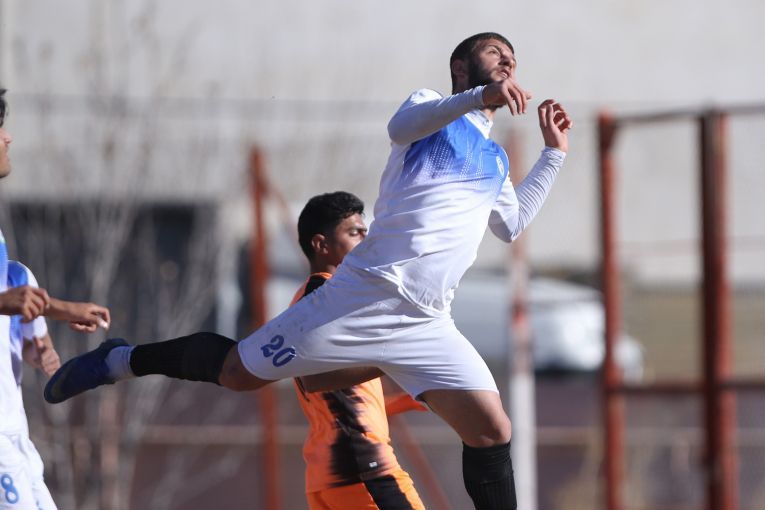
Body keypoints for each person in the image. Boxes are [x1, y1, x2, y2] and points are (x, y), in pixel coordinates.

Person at [45, 32, 572, 509]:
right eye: (494, 52)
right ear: (461, 67)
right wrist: (478, 98)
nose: (507, 61)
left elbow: (511, 225)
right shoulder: (430, 110)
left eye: (513, 57)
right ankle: (120, 359)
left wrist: (553, 155)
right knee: (236, 374)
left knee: (492, 430)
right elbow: (399, 126)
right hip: (364, 294)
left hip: (429, 321)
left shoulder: (495, 159)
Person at [0, 88, 111, 510]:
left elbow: (16, 296)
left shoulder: (11, 260)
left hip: (15, 435)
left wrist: (46, 335)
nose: (8, 137)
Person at [292, 191, 426, 510]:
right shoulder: (328, 297)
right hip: (362, 469)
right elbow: (317, 379)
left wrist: (405, 402)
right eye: (355, 233)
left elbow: (337, 399)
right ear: (322, 245)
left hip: (327, 478)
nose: (366, 241)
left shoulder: (305, 299)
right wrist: (401, 355)